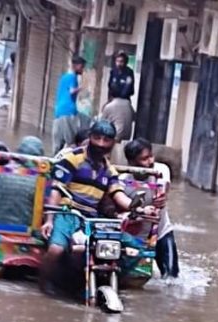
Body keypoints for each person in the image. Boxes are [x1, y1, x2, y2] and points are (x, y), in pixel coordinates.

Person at [40, 120, 157, 292]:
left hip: (92, 219)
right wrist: (49, 220)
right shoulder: (72, 159)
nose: (101, 144)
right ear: (90, 137)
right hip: (67, 213)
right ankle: (45, 284)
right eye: (97, 138)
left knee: (134, 249)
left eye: (106, 140)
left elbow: (119, 196)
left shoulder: (109, 171)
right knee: (56, 250)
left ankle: (109, 279)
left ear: (112, 143)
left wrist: (138, 208)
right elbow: (57, 189)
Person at [124, 138, 179, 279]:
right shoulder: (122, 180)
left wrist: (161, 198)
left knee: (172, 279)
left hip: (161, 233)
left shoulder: (160, 169)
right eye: (144, 159)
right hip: (135, 236)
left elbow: (162, 193)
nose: (150, 161)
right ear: (132, 162)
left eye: (151, 156)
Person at [52, 55, 86, 155]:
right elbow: (71, 91)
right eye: (82, 66)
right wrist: (81, 88)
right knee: (72, 143)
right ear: (76, 66)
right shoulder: (73, 77)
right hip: (68, 111)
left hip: (58, 112)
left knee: (57, 145)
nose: (82, 69)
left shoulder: (64, 77)